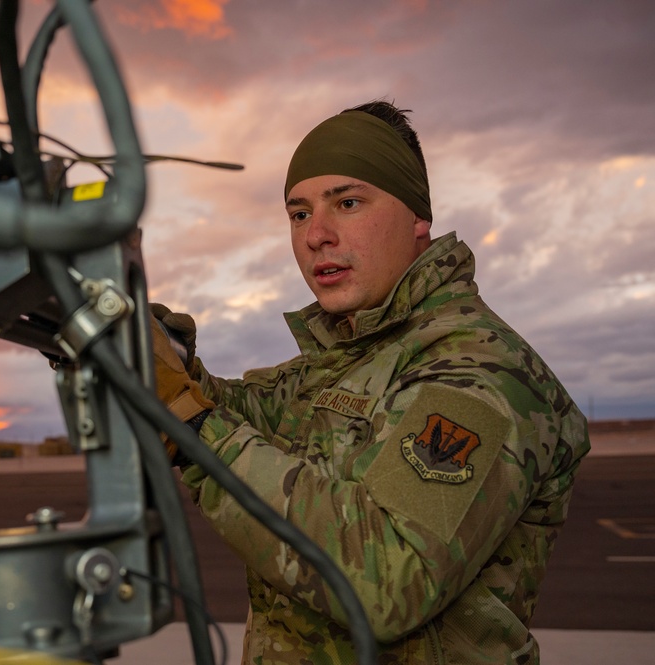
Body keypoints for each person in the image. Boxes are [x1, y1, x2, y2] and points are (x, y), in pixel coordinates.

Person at [150, 100, 590, 664]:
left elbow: (387, 578)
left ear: (417, 217)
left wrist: (190, 422)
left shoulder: (481, 370)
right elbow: (232, 409)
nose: (317, 236)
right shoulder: (344, 364)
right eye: (299, 214)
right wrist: (159, 353)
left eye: (348, 203)